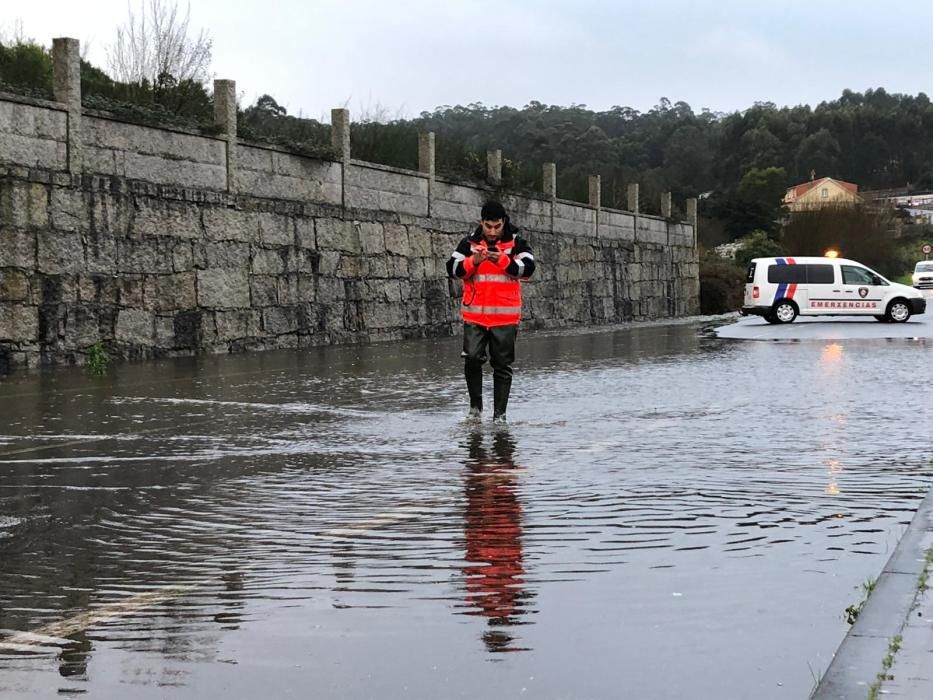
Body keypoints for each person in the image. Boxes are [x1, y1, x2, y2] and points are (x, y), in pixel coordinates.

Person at [446, 201, 536, 423]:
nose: (493, 231)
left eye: (497, 226)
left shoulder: (517, 243)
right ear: (481, 223)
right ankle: (475, 409)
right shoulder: (468, 243)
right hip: (475, 315)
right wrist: (473, 261)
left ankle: (499, 416)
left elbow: (528, 268)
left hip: (504, 317)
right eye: (488, 226)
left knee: (502, 365)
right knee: (472, 359)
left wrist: (504, 261)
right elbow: (452, 268)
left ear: (503, 222)